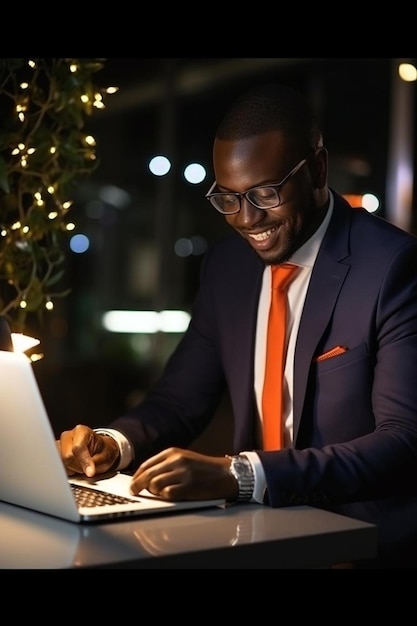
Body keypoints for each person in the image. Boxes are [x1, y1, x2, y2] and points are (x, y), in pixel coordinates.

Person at [58, 82, 417, 568]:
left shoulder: (392, 267)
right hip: (255, 532)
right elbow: (179, 400)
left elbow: (402, 440)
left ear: (317, 169)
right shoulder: (227, 266)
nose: (247, 219)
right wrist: (111, 444)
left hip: (360, 541)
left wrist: (241, 475)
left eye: (264, 193)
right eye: (227, 197)